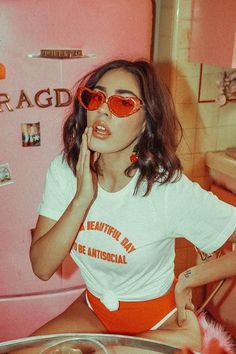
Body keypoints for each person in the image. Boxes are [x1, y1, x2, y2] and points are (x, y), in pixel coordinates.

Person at [29, 59, 236, 352]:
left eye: (122, 104)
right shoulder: (66, 170)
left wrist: (192, 277)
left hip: (161, 325)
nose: (102, 110)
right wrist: (81, 200)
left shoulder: (166, 188)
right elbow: (42, 267)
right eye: (95, 97)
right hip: (94, 312)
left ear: (146, 123)